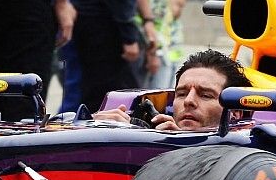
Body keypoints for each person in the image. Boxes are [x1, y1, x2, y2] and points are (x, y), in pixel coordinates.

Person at [71, 0, 152, 113]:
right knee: (122, 97)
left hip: (92, 20)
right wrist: (129, 36)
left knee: (96, 93)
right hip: (105, 26)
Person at [92, 49, 250, 130]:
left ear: (235, 113)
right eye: (181, 94)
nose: (188, 101)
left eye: (205, 95)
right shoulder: (152, 134)